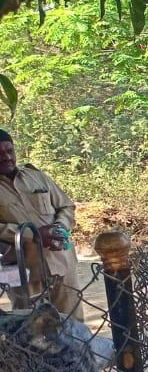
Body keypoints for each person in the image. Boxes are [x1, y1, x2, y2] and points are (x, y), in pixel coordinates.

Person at [0, 130, 84, 320]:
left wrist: (59, 228)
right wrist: (32, 234)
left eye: (9, 151)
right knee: (32, 330)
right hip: (22, 271)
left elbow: (66, 206)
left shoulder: (36, 176)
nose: (6, 157)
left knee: (74, 324)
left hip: (60, 261)